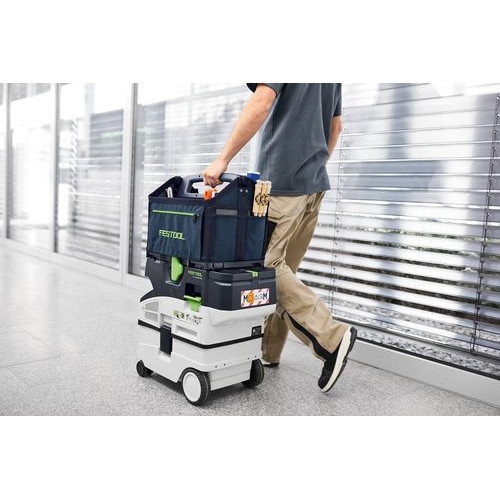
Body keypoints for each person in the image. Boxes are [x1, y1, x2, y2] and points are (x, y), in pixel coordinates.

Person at [202, 83, 357, 393]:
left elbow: (261, 101)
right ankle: (267, 351)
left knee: (266, 268)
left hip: (283, 185)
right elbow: (336, 126)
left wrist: (223, 159)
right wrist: (311, 167)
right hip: (313, 186)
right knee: (284, 270)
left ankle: (331, 337)